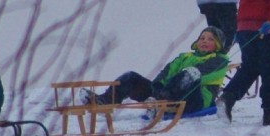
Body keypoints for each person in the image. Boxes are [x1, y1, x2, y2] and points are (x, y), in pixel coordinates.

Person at [82, 27, 229, 115]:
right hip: (166, 95)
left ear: (217, 45)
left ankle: (161, 102)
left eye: (210, 39)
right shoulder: (185, 56)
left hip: (195, 100)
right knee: (130, 76)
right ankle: (105, 101)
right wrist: (157, 86)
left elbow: (201, 73)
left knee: (191, 73)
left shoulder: (220, 60)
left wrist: (167, 91)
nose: (204, 41)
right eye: (202, 38)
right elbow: (167, 71)